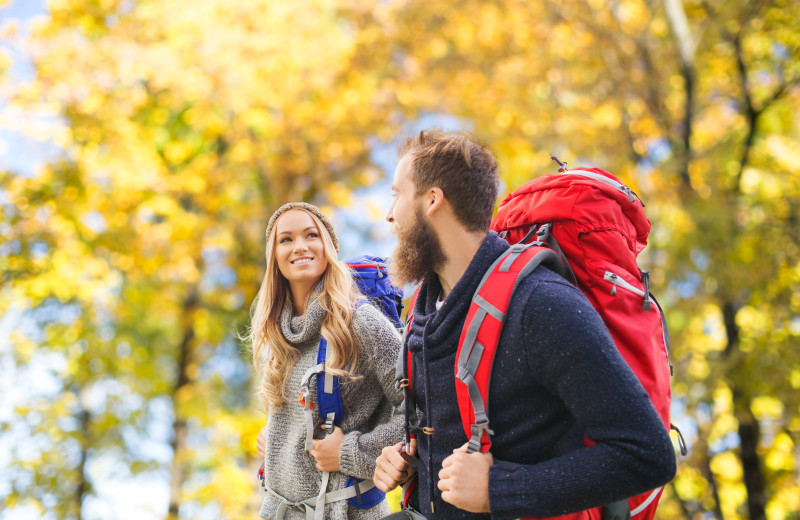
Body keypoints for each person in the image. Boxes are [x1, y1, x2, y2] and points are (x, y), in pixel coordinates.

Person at [372, 130, 677, 519]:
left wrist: (500, 489)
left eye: (397, 194)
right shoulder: (423, 312)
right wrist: (409, 459)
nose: (389, 213)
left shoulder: (540, 304)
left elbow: (648, 455)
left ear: (432, 200)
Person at [247, 202, 404, 520]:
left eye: (311, 235)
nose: (300, 246)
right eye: (286, 239)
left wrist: (350, 452)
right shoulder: (279, 332)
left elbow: (422, 409)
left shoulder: (359, 322)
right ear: (274, 255)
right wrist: (277, 438)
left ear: (328, 246)